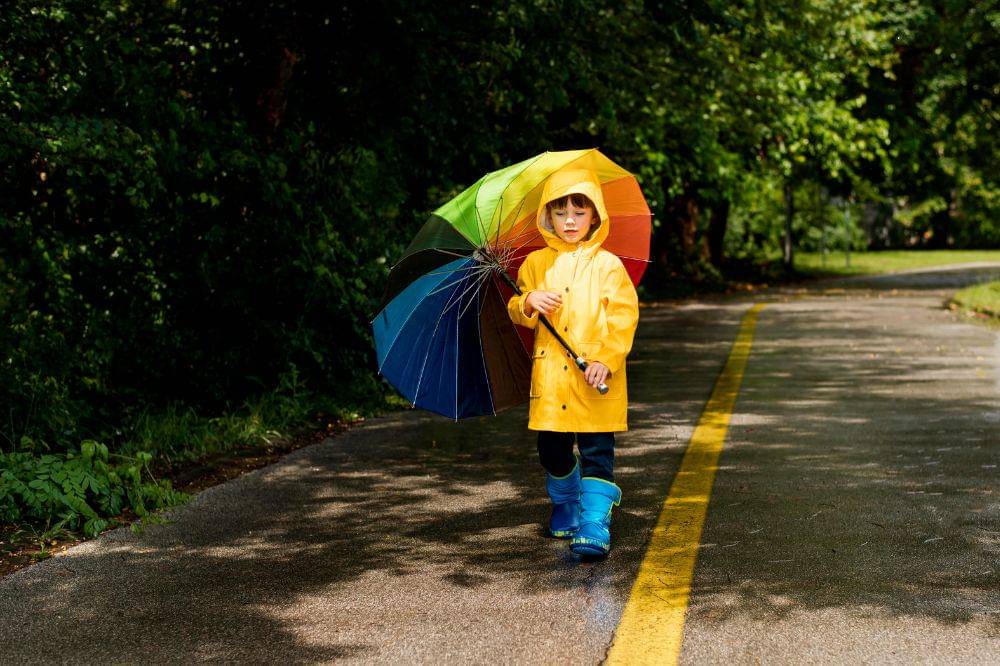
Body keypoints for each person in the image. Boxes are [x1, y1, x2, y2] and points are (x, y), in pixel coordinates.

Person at [506, 167, 640, 557]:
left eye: (579, 212)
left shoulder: (608, 266)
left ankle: (595, 521)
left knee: (598, 450)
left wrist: (607, 358)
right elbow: (517, 306)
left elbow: (623, 317)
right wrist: (527, 302)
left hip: (595, 377)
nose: (569, 220)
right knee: (551, 449)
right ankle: (566, 503)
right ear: (546, 217)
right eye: (560, 212)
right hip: (551, 380)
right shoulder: (534, 264)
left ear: (595, 216)